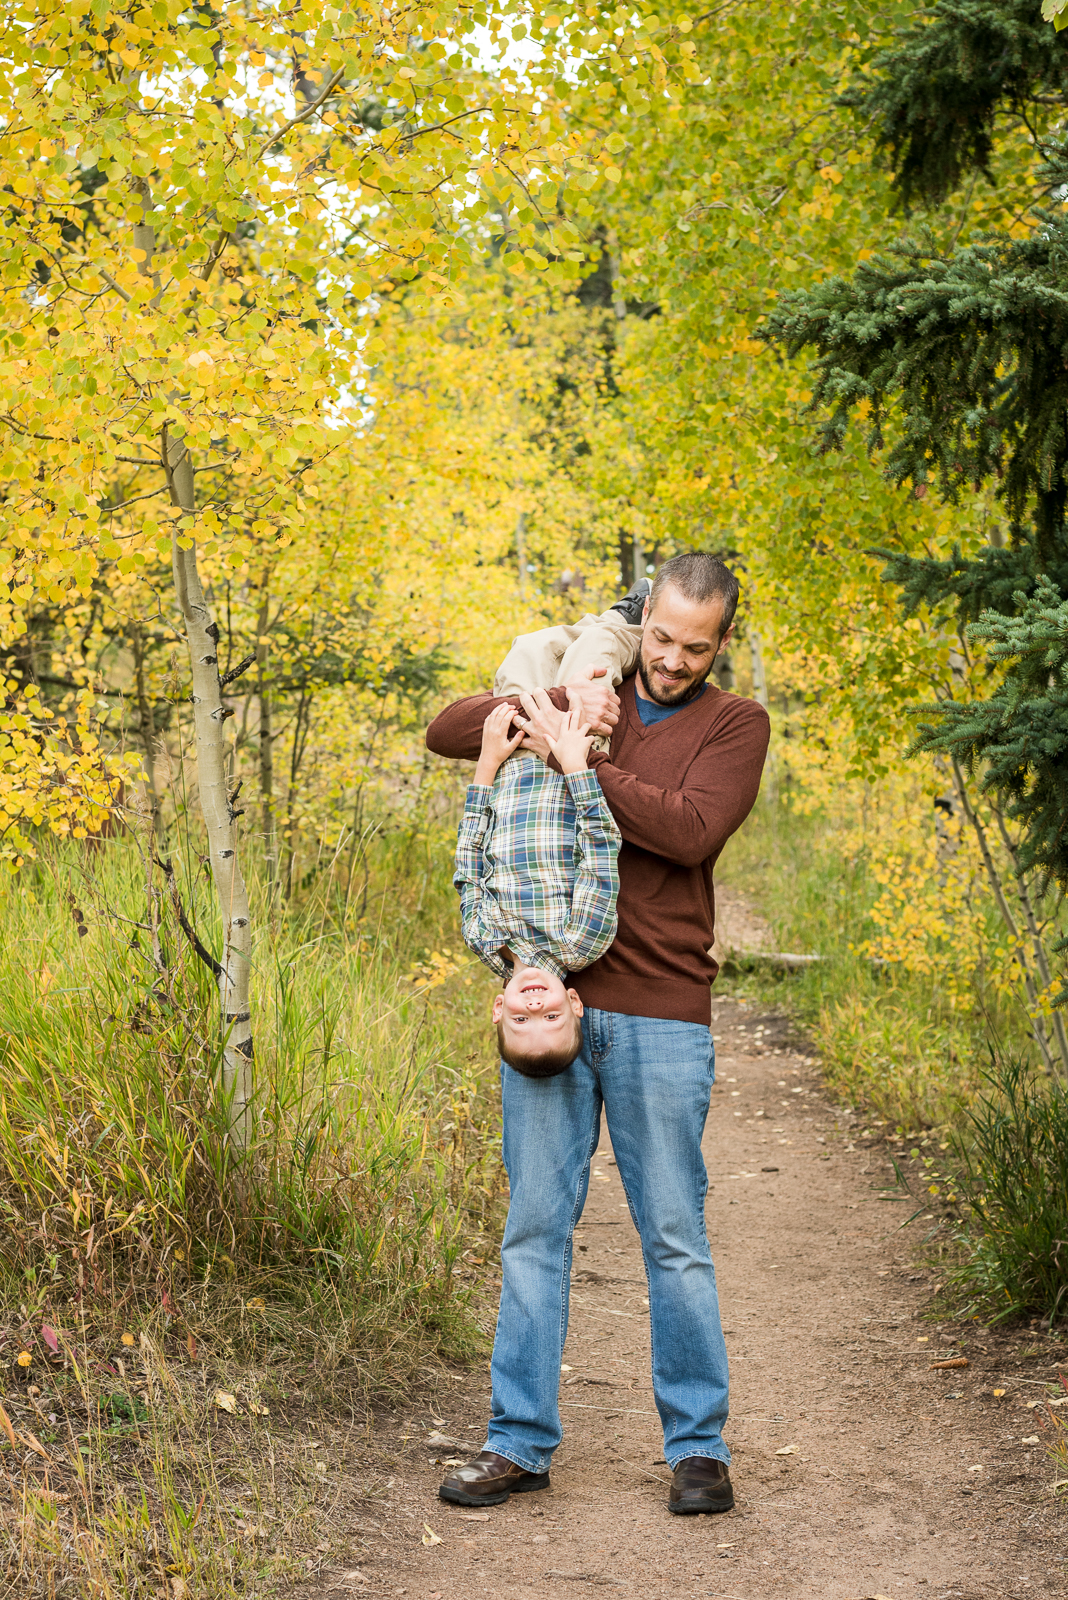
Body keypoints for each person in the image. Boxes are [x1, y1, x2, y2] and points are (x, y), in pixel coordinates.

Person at [426, 551, 770, 1517]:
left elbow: (688, 830)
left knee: (674, 1235)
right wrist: (555, 701)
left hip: (663, 1011)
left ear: (721, 645)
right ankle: (517, 1443)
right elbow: (449, 729)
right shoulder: (589, 679)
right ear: (640, 619)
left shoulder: (735, 723)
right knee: (534, 1229)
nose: (669, 662)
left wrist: (583, 760)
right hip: (553, 1007)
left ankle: (697, 1450)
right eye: (658, 638)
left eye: (693, 649)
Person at [455, 697, 621, 1078]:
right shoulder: (580, 943)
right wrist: (574, 763)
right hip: (567, 747)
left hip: (508, 759)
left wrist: (487, 763)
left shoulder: (482, 939)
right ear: (574, 1002)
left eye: (520, 1021)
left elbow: (469, 861)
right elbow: (600, 847)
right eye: (551, 1016)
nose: (534, 1009)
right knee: (598, 645)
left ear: (499, 1010)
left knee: (526, 649)